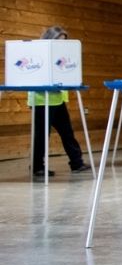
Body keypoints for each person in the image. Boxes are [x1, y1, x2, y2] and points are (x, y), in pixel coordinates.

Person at [29, 26, 90, 177]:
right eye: (59, 41)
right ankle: (37, 167)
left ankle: (77, 163)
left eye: (64, 41)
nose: (61, 45)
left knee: (67, 132)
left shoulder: (62, 56)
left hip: (57, 99)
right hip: (41, 100)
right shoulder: (39, 54)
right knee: (42, 135)